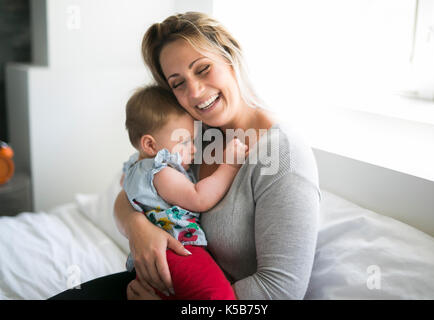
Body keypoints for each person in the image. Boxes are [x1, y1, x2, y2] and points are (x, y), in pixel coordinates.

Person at [49, 11, 321, 300]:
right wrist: (138, 229)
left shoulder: (282, 154)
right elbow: (131, 188)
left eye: (203, 68)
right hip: (155, 283)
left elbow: (280, 291)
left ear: (230, 57)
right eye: (178, 83)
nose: (195, 91)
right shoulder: (194, 135)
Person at [121, 84, 245, 299]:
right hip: (178, 249)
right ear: (150, 145)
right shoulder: (160, 171)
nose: (194, 149)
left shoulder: (133, 167)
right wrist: (230, 166)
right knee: (219, 295)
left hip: (155, 259)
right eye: (184, 142)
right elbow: (198, 197)